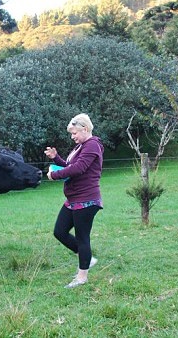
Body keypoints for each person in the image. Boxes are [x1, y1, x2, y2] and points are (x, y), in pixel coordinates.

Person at [45, 113, 104, 288]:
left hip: (86, 200)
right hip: (73, 199)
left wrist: (54, 175)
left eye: (74, 133)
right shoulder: (81, 146)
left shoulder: (93, 145)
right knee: (59, 231)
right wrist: (56, 158)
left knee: (82, 237)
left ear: (84, 129)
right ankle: (87, 259)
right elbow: (70, 166)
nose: (73, 137)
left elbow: (78, 169)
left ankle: (81, 277)